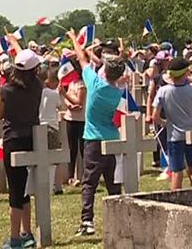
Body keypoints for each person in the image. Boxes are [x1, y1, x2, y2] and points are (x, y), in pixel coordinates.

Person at [66, 29, 125, 237]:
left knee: (89, 182)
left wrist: (74, 39)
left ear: (105, 71)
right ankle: (120, 219)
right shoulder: (116, 92)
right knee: (113, 183)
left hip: (93, 138)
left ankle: (87, 220)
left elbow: (81, 58)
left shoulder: (95, 84)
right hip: (112, 138)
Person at [0, 49, 40, 249]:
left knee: (15, 188)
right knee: (23, 188)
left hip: (13, 138)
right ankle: (27, 231)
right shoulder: (37, 86)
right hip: (31, 137)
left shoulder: (6, 90)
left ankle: (14, 238)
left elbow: (0, 114)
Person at [153, 58, 192, 190]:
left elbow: (155, 116)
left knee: (176, 172)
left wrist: (165, 123)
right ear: (185, 73)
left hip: (174, 136)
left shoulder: (163, 91)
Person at [59, 57, 86, 187]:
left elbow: (80, 101)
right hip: (70, 117)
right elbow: (69, 99)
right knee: (71, 148)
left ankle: (84, 175)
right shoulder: (71, 83)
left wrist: (65, 95)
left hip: (81, 119)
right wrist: (68, 104)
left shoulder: (82, 84)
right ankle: (70, 176)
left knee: (82, 148)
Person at [39, 69, 64, 195]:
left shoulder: (35, 93)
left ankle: (41, 185)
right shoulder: (53, 94)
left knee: (39, 158)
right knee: (55, 159)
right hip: (52, 127)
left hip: (39, 127)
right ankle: (57, 186)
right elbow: (60, 106)